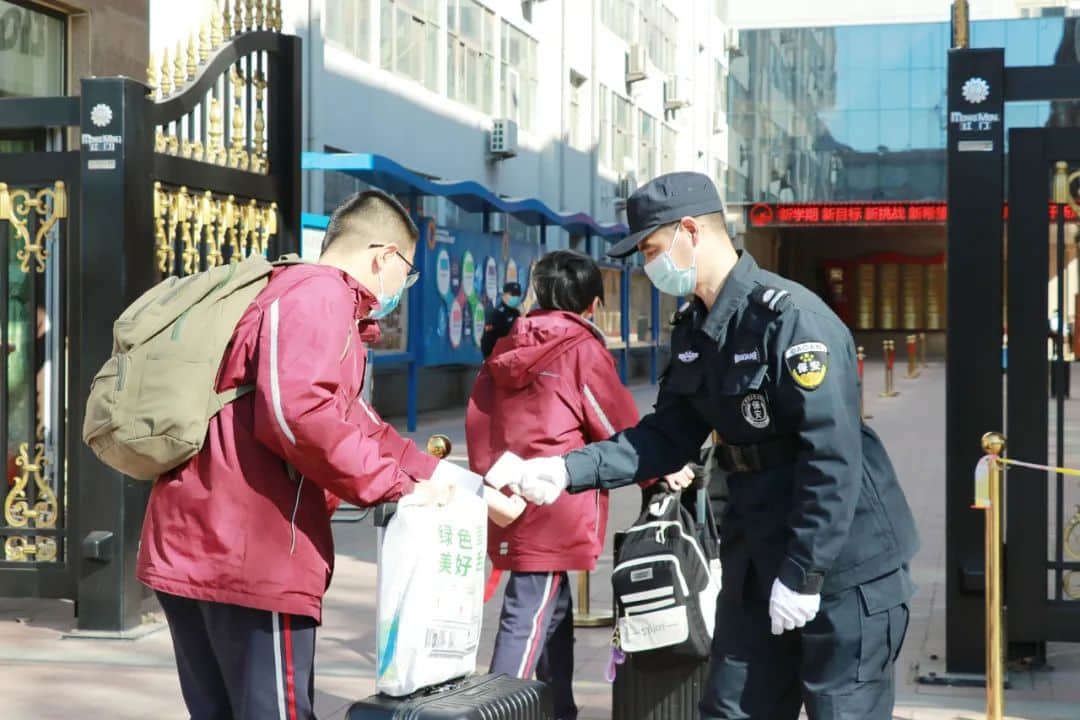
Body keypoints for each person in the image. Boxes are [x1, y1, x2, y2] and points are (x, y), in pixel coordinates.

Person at [489, 172, 920, 720]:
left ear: (689, 231)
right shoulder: (696, 330)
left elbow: (832, 457)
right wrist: (566, 471)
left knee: (841, 711)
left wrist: (805, 572)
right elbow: (666, 434)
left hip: (843, 566)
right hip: (757, 558)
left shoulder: (791, 321)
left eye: (649, 248)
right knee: (729, 709)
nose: (647, 264)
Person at [137, 189, 457, 720]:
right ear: (384, 258)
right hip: (251, 557)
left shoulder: (283, 293)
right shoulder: (319, 294)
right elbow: (300, 413)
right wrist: (394, 485)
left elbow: (351, 417)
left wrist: (434, 474)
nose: (403, 287)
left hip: (197, 545)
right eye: (408, 273)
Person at [466, 250, 693, 720]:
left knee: (553, 610)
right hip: (555, 498)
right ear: (591, 305)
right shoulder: (580, 348)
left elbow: (480, 421)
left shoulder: (506, 344)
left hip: (509, 492)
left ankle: (558, 709)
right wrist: (660, 465)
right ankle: (495, 711)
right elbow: (617, 421)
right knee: (527, 614)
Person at [480, 281, 523, 358]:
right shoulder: (496, 314)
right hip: (498, 357)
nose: (516, 297)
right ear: (504, 295)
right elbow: (487, 339)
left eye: (517, 295)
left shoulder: (516, 313)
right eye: (513, 294)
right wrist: (489, 358)